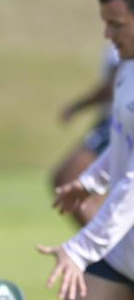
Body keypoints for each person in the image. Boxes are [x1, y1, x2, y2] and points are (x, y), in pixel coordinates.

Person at [38, 0, 134, 300]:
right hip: (127, 240)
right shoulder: (128, 67)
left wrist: (81, 249)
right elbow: (122, 144)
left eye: (116, 25)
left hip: (121, 225)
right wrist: (91, 180)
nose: (107, 36)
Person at [50, 43, 119, 226]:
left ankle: (107, 251)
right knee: (91, 191)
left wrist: (78, 106)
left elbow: (113, 85)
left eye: (114, 25)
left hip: (116, 121)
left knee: (68, 178)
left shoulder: (126, 29)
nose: (108, 32)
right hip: (112, 119)